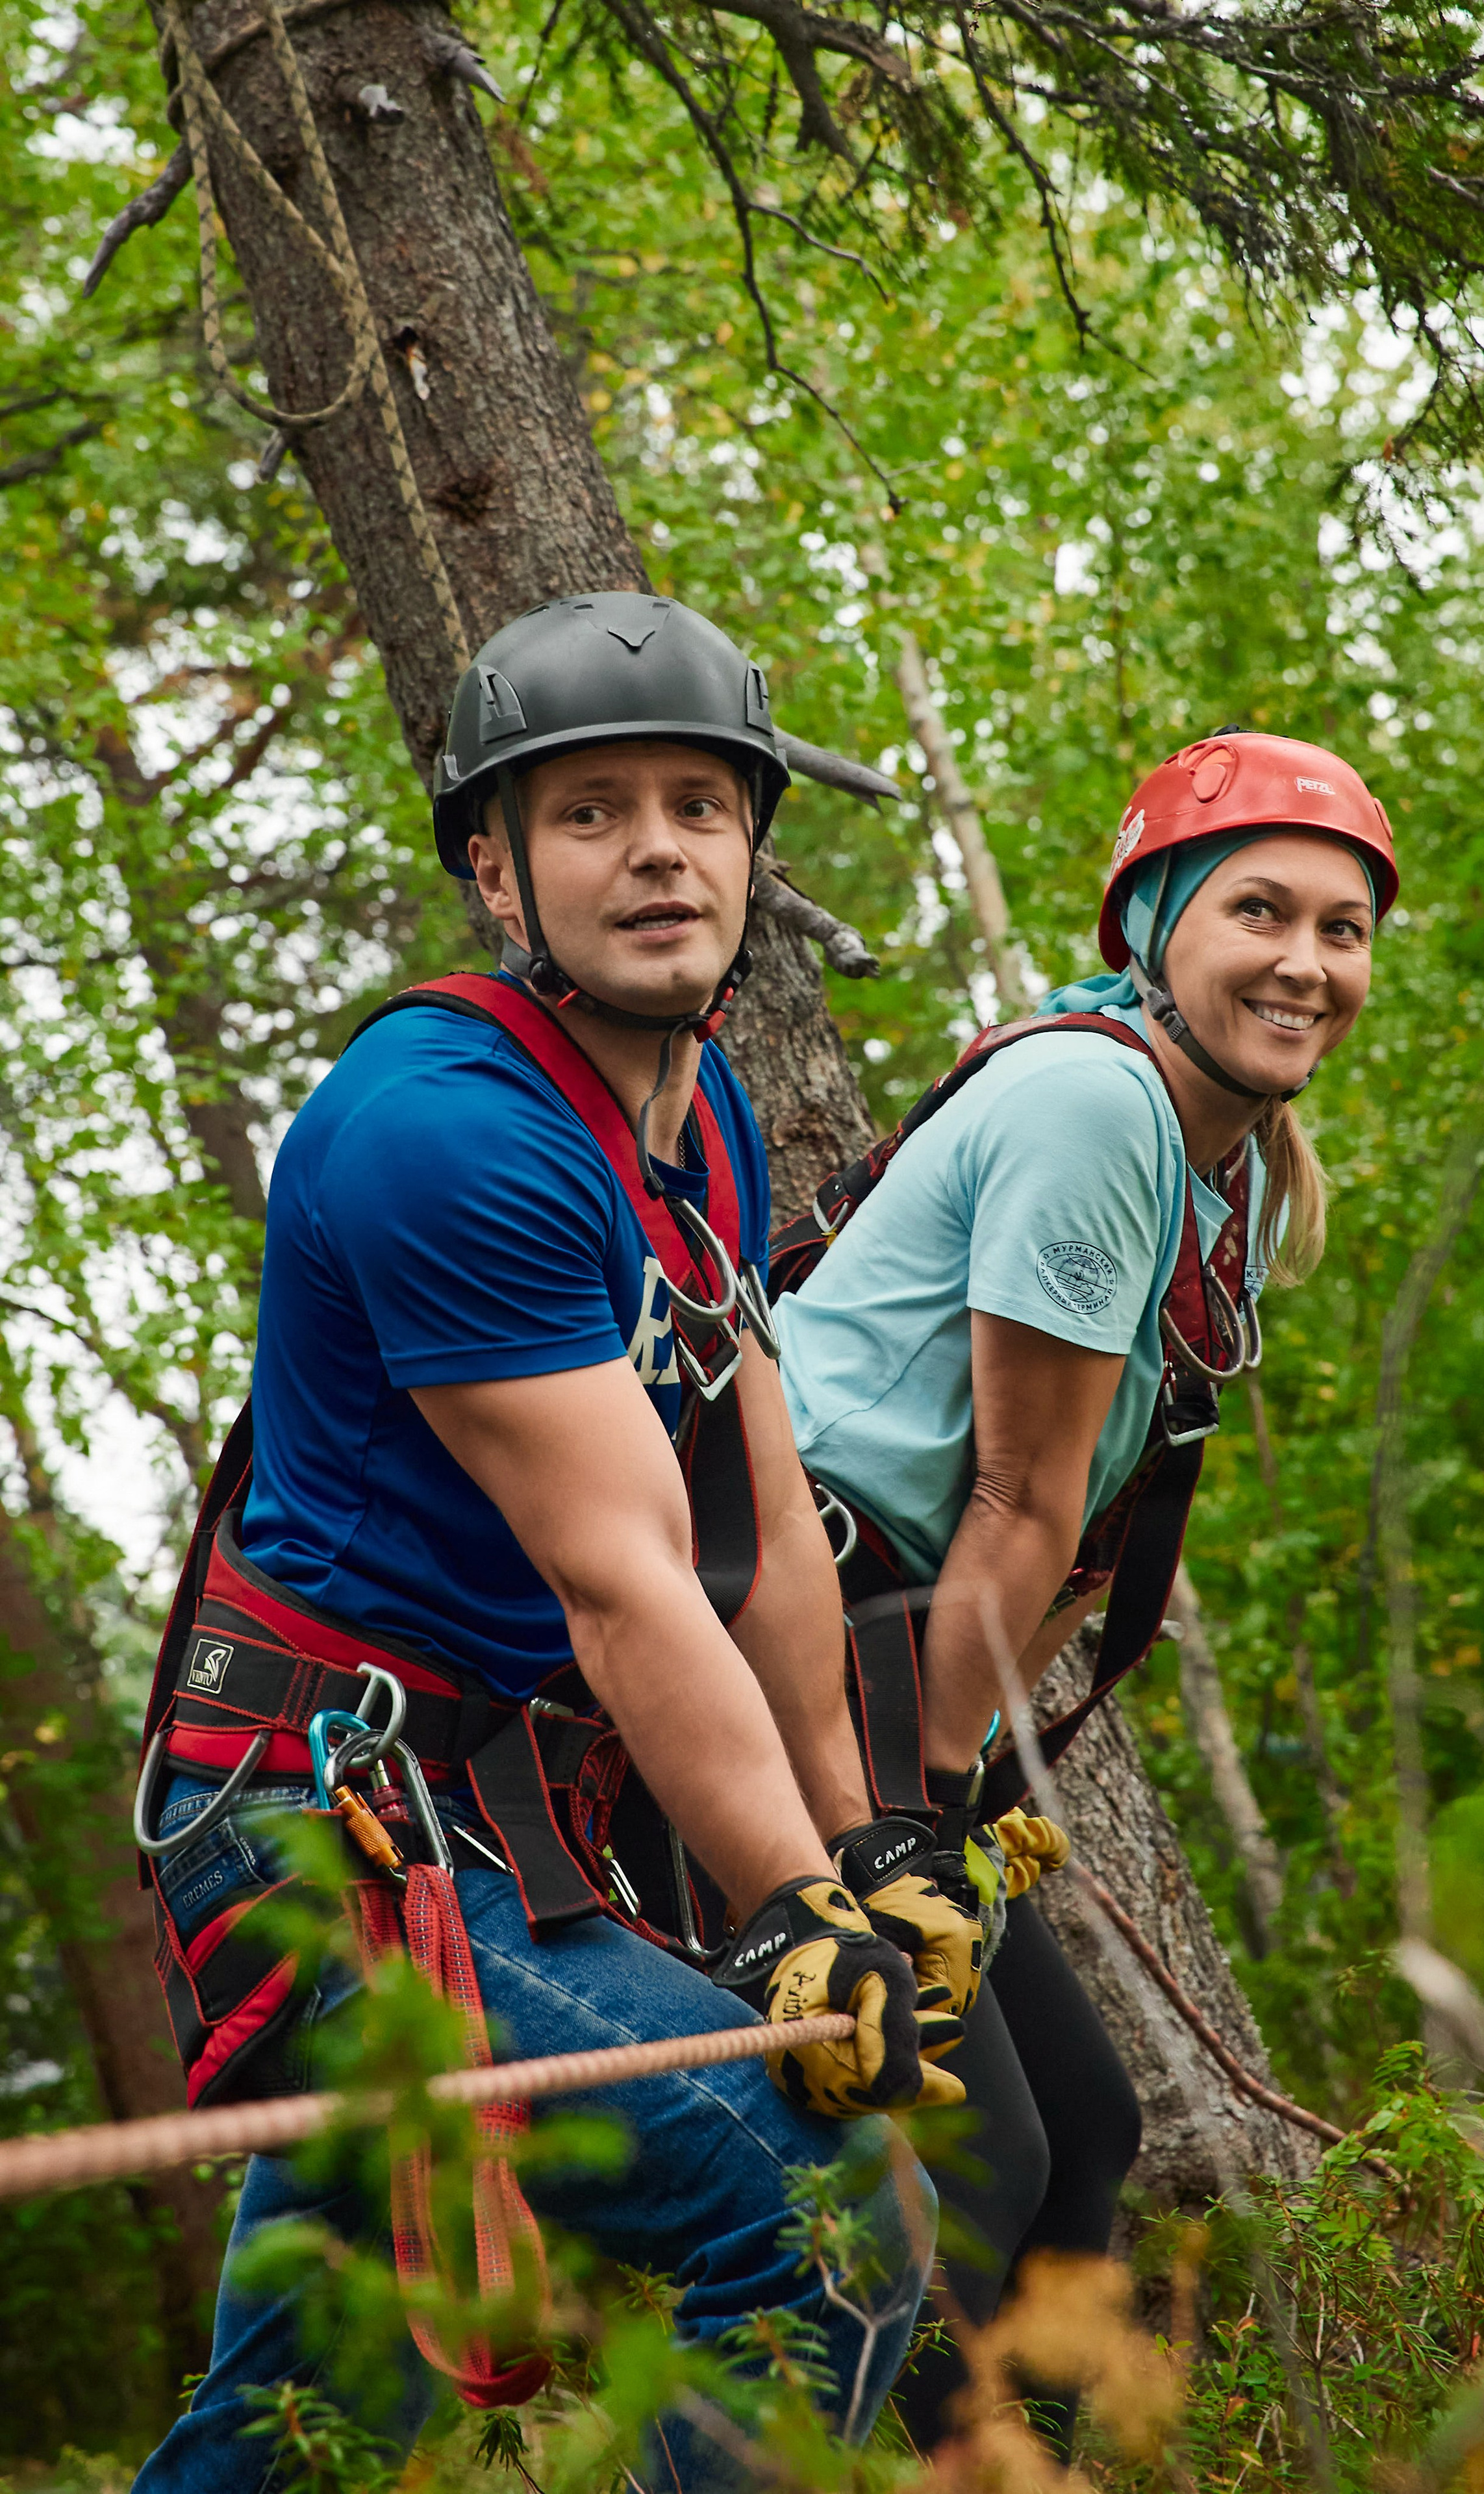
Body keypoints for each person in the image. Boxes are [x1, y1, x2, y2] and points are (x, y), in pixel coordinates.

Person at [131, 594, 974, 2493]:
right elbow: (626, 1579)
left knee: (309, 2419)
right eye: (591, 812)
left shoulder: (696, 1108)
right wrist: (791, 1915)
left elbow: (763, 1521)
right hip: (321, 1830)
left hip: (463, 1822)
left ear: (754, 848)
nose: (659, 851)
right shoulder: (444, 1133)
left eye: (700, 806)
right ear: (498, 875)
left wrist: (861, 1849)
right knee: (828, 2217)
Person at [773, 729, 1398, 2452]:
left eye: (1343, 930)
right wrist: (909, 1817)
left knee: (1084, 2136)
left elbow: (1085, 1538)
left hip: (897, 1672)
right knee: (974, 2165)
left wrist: (964, 1777)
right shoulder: (1097, 1106)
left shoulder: (1227, 1177)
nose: (1307, 962)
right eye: (1260, 911)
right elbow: (1022, 1500)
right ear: (1155, 924)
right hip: (793, 1650)